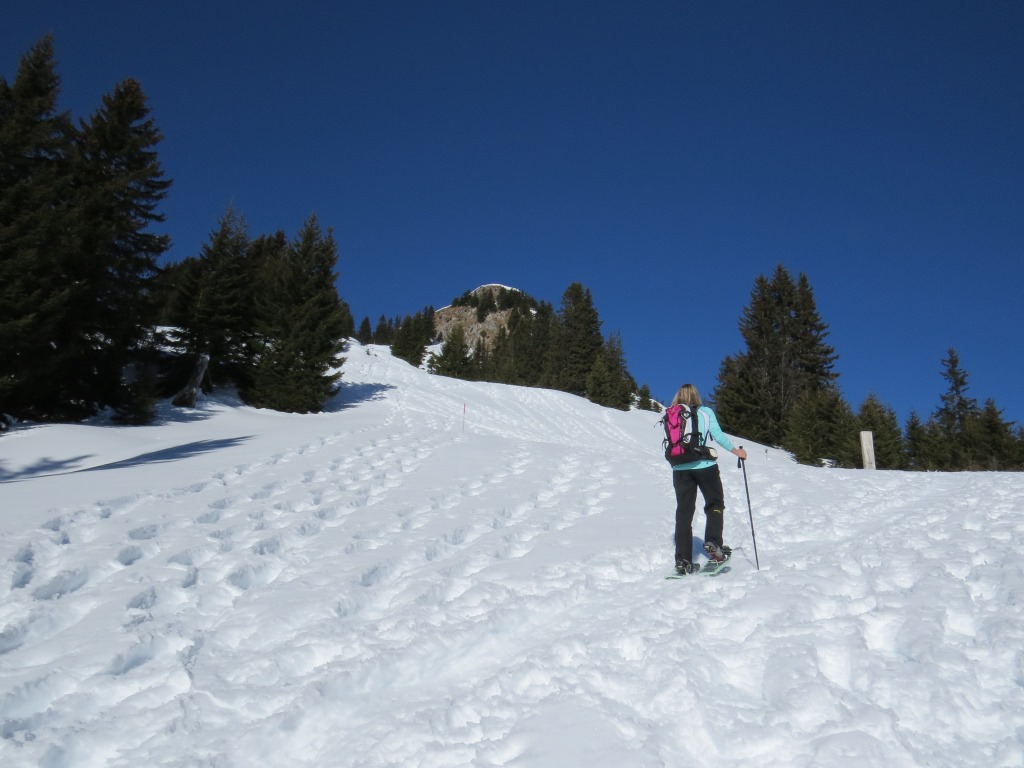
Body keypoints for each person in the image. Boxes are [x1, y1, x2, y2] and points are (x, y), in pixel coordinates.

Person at [668, 384, 747, 574]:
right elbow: (717, 435)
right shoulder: (705, 412)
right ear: (696, 395)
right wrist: (736, 451)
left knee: (684, 512)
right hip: (705, 466)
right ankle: (714, 544)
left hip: (680, 468)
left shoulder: (671, 414)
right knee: (714, 503)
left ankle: (683, 560)